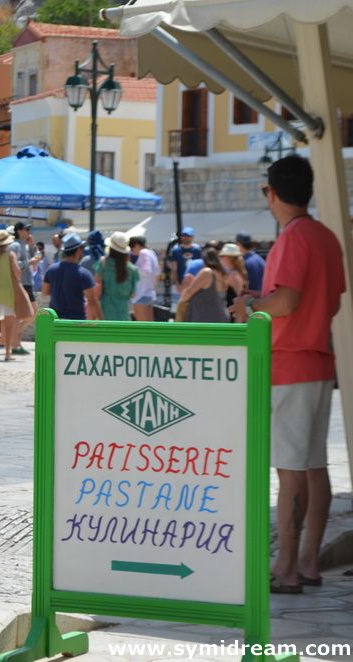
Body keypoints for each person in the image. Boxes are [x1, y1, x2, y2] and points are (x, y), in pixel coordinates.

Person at [230, 156, 345, 594]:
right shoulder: (326, 237)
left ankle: (288, 568)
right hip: (317, 362)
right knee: (314, 466)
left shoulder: (294, 238)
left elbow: (290, 300)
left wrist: (252, 306)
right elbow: (327, 302)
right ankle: (309, 562)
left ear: (272, 193)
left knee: (291, 469)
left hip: (291, 363)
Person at [0, 230, 31, 360]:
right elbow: (17, 272)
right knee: (8, 324)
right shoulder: (10, 255)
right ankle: (8, 353)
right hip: (8, 291)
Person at [42, 233, 102, 321]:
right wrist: (101, 320)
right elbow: (92, 301)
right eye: (82, 248)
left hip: (55, 323)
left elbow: (45, 292)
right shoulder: (84, 274)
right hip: (76, 323)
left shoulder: (51, 270)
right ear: (78, 250)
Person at [9, 222, 40, 356]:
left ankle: (13, 340)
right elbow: (13, 264)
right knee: (28, 314)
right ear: (19, 231)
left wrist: (32, 245)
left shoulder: (25, 245)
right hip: (21, 283)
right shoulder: (15, 245)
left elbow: (37, 256)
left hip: (27, 283)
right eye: (26, 229)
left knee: (27, 314)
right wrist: (29, 262)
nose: (28, 232)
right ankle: (13, 341)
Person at [94, 231, 139, 322]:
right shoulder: (133, 269)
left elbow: (96, 288)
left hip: (105, 314)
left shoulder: (103, 264)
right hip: (124, 316)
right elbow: (133, 294)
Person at [178, 247, 229, 323]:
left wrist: (180, 305)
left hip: (204, 321)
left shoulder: (207, 272)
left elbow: (188, 293)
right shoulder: (223, 274)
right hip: (220, 319)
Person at [129, 236, 159, 321]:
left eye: (132, 247)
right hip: (149, 294)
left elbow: (146, 270)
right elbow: (157, 272)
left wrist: (131, 268)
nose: (132, 250)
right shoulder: (152, 253)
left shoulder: (143, 252)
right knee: (150, 328)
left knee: (141, 328)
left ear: (137, 245)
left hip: (140, 295)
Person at [169, 227, 202, 292]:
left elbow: (200, 268)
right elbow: (174, 269)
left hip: (194, 283)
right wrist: (177, 284)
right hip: (181, 283)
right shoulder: (176, 251)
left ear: (192, 237)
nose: (186, 237)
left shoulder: (197, 250)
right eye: (184, 235)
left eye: (188, 236)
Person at [218, 242, 247, 315]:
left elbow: (240, 298)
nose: (220, 258)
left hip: (234, 317)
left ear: (230, 258)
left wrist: (238, 322)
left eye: (222, 256)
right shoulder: (232, 274)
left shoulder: (234, 275)